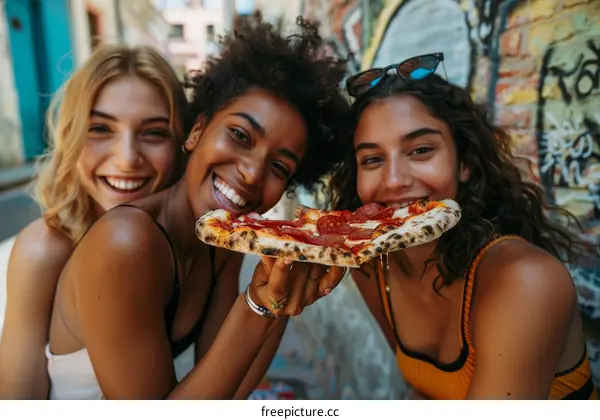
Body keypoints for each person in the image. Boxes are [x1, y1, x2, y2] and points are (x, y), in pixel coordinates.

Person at [43, 14, 350, 400]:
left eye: (279, 167)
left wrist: (280, 298)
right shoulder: (125, 241)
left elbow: (229, 392)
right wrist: (256, 305)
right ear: (197, 131)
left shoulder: (223, 239)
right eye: (240, 135)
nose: (252, 174)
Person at [330, 53, 598, 400]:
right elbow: (424, 394)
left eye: (421, 150)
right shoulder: (372, 266)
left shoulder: (526, 280)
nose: (394, 180)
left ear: (465, 163)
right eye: (373, 159)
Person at [0, 44, 191, 399]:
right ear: (71, 136)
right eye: (101, 128)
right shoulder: (43, 252)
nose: (127, 158)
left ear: (182, 144)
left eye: (154, 133)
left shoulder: (186, 241)